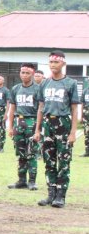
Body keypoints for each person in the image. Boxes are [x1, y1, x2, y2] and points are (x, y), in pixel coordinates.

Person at [35, 51, 80, 208]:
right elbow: (41, 107)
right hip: (48, 124)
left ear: (63, 64)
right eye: (51, 62)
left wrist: (73, 132)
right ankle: (51, 194)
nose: (53, 65)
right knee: (49, 160)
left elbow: (74, 109)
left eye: (56, 62)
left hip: (63, 124)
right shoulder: (44, 83)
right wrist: (37, 130)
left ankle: (61, 195)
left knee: (64, 161)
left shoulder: (70, 83)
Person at [7, 63, 41, 191]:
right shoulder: (15, 88)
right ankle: (21, 180)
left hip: (32, 122)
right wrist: (10, 127)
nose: (24, 75)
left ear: (32, 74)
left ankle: (32, 181)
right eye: (22, 72)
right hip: (19, 122)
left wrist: (38, 129)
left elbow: (41, 110)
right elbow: (12, 108)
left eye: (27, 73)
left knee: (31, 153)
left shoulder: (38, 89)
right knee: (20, 153)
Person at [81, 75, 89, 158]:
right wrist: (81, 116)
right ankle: (87, 151)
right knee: (87, 133)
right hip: (86, 116)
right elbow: (82, 104)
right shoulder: (85, 91)